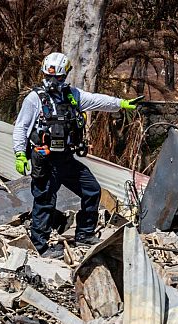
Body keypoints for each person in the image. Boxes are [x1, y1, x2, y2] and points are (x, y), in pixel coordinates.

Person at [13, 52, 138, 258]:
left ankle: (84, 234)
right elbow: (21, 127)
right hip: (45, 160)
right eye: (49, 76)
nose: (53, 81)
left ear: (65, 76)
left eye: (58, 77)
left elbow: (97, 101)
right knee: (44, 202)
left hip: (67, 160)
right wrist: (20, 154)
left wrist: (121, 104)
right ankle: (40, 247)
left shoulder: (72, 96)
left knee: (92, 190)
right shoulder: (34, 98)